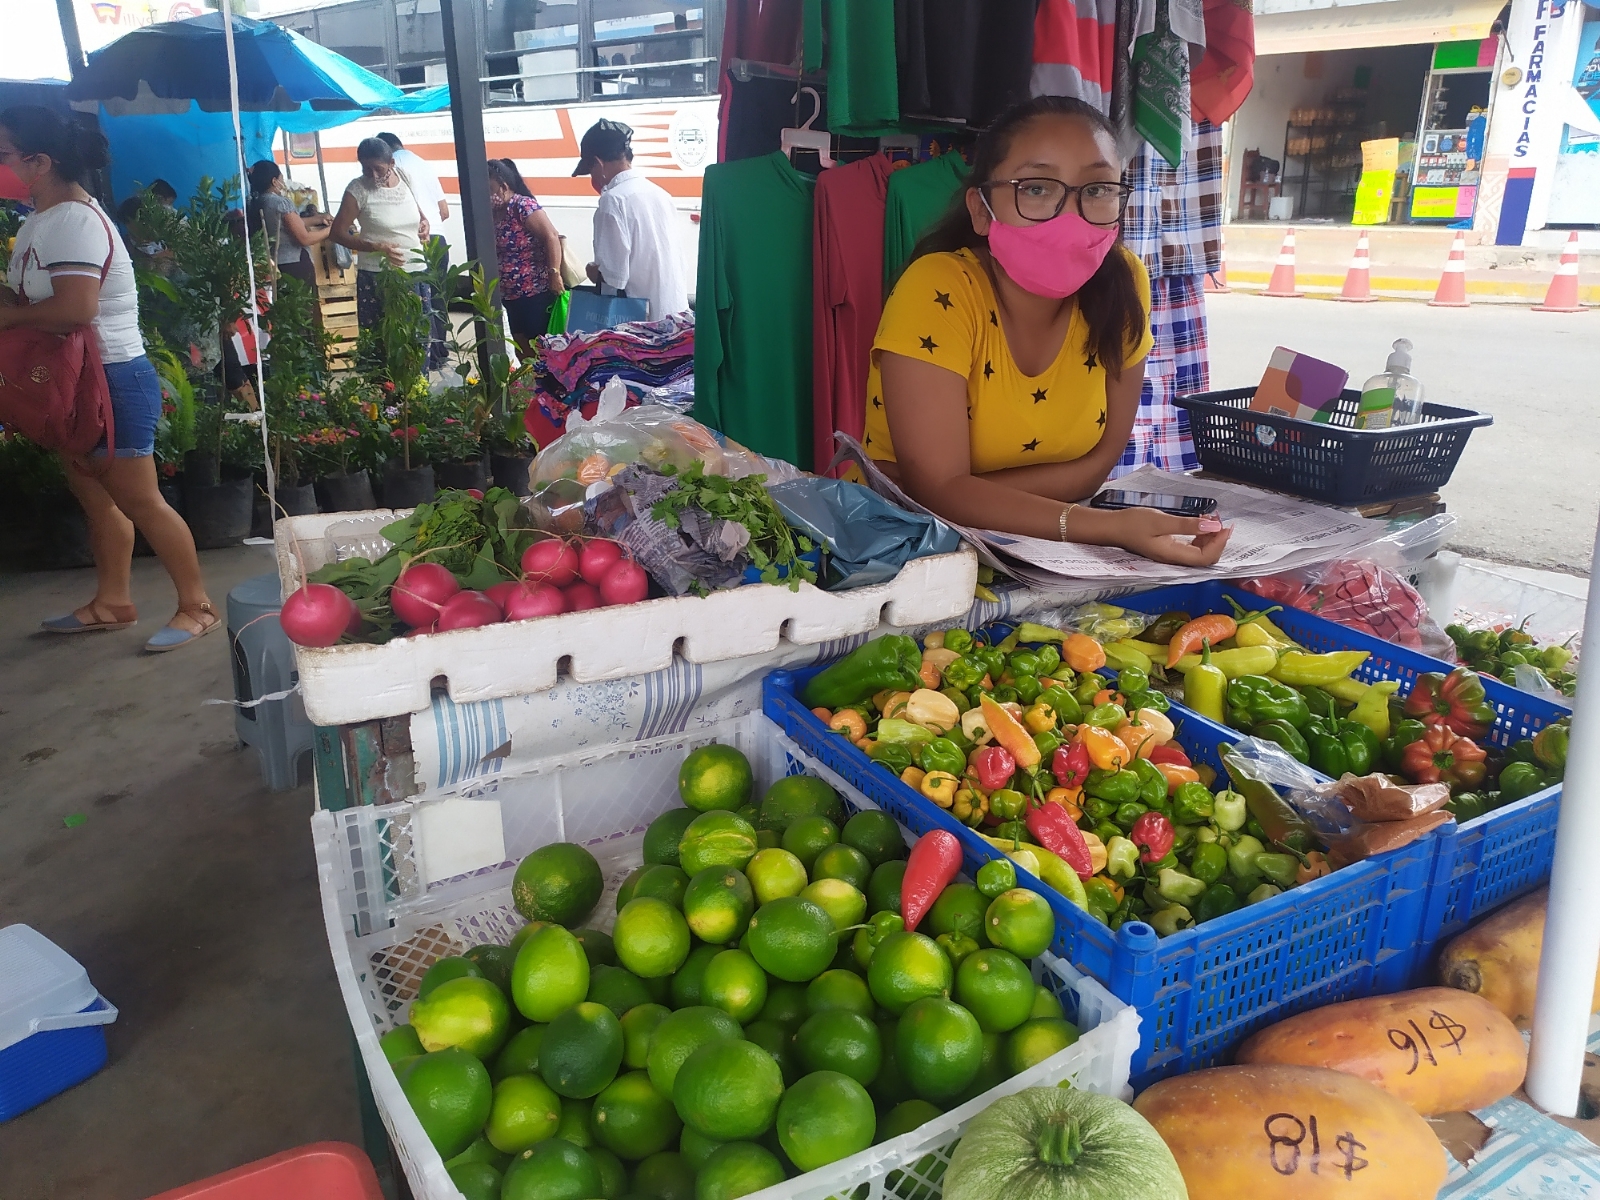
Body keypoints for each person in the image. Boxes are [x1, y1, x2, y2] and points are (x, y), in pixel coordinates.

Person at [864, 95, 1230, 567]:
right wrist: (1109, 526)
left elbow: (1096, 469)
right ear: (981, 208)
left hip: (1043, 554)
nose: (1069, 216)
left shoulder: (1126, 281)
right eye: (1036, 188)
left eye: (1097, 189)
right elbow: (932, 495)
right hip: (900, 553)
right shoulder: (938, 290)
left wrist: (960, 494)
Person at [0, 106, 217, 650]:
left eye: (5, 153)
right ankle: (112, 601)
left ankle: (198, 606)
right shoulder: (42, 218)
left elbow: (76, 308)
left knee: (141, 499)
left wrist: (8, 316)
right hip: (79, 382)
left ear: (38, 162)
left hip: (111, 377)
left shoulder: (72, 221)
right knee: (95, 497)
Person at [330, 137, 444, 367]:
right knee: (384, 344)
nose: (372, 175)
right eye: (366, 168)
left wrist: (424, 224)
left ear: (391, 163)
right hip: (379, 277)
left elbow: (419, 214)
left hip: (416, 274)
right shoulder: (357, 189)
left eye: (378, 169)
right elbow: (337, 233)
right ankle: (386, 401)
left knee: (418, 341)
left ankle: (416, 398)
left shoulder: (405, 177)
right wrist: (374, 246)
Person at [574, 118, 688, 319]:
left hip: (641, 326)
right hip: (676, 317)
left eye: (590, 169)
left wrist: (592, 271)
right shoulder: (660, 194)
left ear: (598, 163)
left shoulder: (613, 200)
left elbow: (614, 278)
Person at [488, 159, 564, 354]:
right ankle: (529, 383)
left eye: (490, 189)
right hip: (510, 295)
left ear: (503, 187)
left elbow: (551, 236)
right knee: (521, 347)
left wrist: (555, 274)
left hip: (535, 293)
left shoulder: (523, 206)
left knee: (539, 347)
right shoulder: (495, 213)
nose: (487, 196)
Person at [247, 159, 331, 287]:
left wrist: (318, 219)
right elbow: (304, 238)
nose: (283, 182)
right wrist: (330, 230)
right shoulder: (281, 203)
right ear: (274, 181)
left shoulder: (255, 203)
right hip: (295, 265)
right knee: (302, 305)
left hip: (273, 265)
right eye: (281, 178)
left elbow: (284, 224)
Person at [376, 131, 450, 225]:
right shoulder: (426, 165)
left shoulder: (389, 167)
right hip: (437, 234)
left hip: (412, 235)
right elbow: (444, 212)